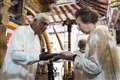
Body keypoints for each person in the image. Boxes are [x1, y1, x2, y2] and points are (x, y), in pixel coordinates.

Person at [56, 8, 119, 80]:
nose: (79, 28)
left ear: (87, 21)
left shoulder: (97, 33)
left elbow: (94, 67)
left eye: (79, 24)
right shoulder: (100, 32)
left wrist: (73, 57)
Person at [2, 13, 67, 80]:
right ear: (35, 21)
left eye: (47, 25)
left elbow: (37, 60)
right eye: (44, 23)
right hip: (12, 77)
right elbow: (15, 55)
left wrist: (52, 58)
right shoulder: (21, 31)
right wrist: (39, 57)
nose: (45, 27)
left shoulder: (37, 39)